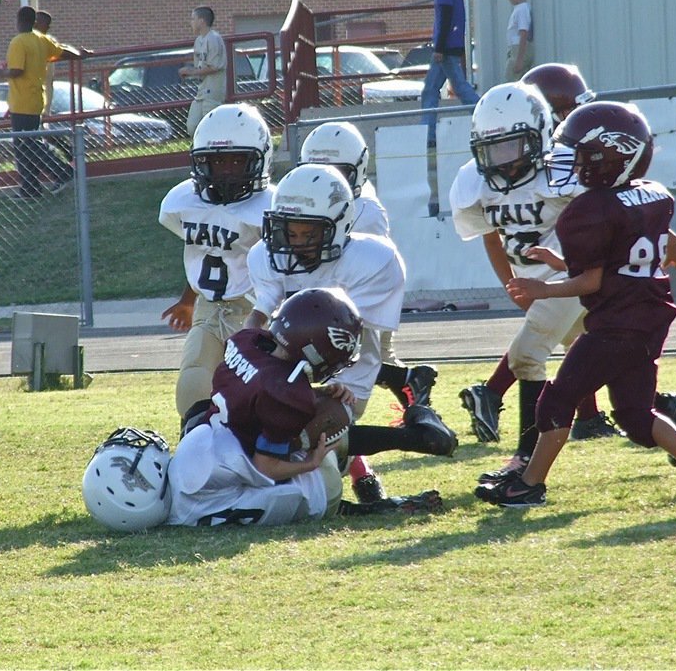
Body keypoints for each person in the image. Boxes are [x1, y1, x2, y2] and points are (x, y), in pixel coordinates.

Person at [475, 101, 676, 507]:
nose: (573, 164)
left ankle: (529, 484)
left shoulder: (587, 211)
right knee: (634, 415)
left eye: (581, 154)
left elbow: (592, 280)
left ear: (612, 155)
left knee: (556, 401)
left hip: (617, 324)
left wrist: (543, 288)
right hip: (650, 316)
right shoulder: (654, 195)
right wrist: (559, 262)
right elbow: (618, 260)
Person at [244, 164, 458, 504]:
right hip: (289, 360)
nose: (297, 244)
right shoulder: (265, 257)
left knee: (309, 435)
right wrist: (246, 348)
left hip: (347, 366)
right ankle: (411, 414)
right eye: (290, 233)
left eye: (309, 234)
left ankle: (413, 434)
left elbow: (339, 342)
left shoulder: (371, 260)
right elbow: (260, 311)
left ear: (339, 225)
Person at [167, 288, 446, 525]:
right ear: (317, 350)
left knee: (317, 429)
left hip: (200, 451)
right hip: (208, 493)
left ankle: (415, 439)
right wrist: (311, 462)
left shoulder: (247, 340)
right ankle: (393, 471)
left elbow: (260, 384)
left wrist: (315, 393)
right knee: (325, 486)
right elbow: (265, 467)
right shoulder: (286, 396)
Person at [297, 121, 440, 502]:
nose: (329, 184)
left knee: (341, 399)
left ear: (357, 172)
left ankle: (408, 391)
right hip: (324, 308)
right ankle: (407, 386)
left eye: (339, 174)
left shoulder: (365, 211)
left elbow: (364, 271)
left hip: (357, 308)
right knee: (327, 397)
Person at [159, 102, 274, 420]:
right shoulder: (185, 202)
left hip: (259, 308)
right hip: (211, 307)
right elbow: (206, 253)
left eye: (237, 160)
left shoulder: (270, 208)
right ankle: (196, 440)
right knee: (194, 380)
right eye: (216, 161)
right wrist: (188, 299)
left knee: (265, 390)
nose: (225, 171)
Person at [0, 6, 85, 199]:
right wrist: (80, 54)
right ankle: (29, 188)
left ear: (19, 21)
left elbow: (17, 70)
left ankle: (63, 172)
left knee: (30, 143)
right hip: (36, 99)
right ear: (34, 22)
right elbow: (62, 52)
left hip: (22, 101)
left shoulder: (19, 42)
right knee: (23, 146)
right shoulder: (41, 40)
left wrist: (0, 73)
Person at [417, 0, 481, 149]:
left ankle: (485, 116)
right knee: (431, 89)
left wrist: (439, 47)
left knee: (459, 88)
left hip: (445, 49)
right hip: (450, 47)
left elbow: (445, 17)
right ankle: (428, 134)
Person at [180, 6, 227, 138]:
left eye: (193, 19)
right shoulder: (198, 41)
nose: (191, 23)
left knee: (211, 125)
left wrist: (190, 72)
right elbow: (199, 67)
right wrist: (191, 73)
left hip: (213, 89)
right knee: (192, 125)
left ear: (201, 21)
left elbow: (214, 67)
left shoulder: (213, 39)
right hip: (202, 89)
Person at [503, 0, 533, 83]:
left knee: (510, 79)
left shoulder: (522, 9)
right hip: (515, 49)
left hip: (519, 49)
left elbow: (523, 33)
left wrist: (519, 60)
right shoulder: (519, 9)